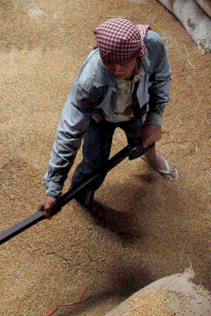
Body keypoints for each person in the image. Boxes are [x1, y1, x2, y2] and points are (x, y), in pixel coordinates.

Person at [40, 17, 177, 218]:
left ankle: (150, 157)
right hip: (100, 118)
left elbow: (162, 79)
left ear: (138, 55)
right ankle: (83, 194)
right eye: (108, 62)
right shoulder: (90, 82)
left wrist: (154, 119)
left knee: (145, 140)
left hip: (136, 108)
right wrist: (53, 188)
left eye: (122, 64)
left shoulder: (153, 45)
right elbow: (69, 131)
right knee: (94, 164)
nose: (114, 70)